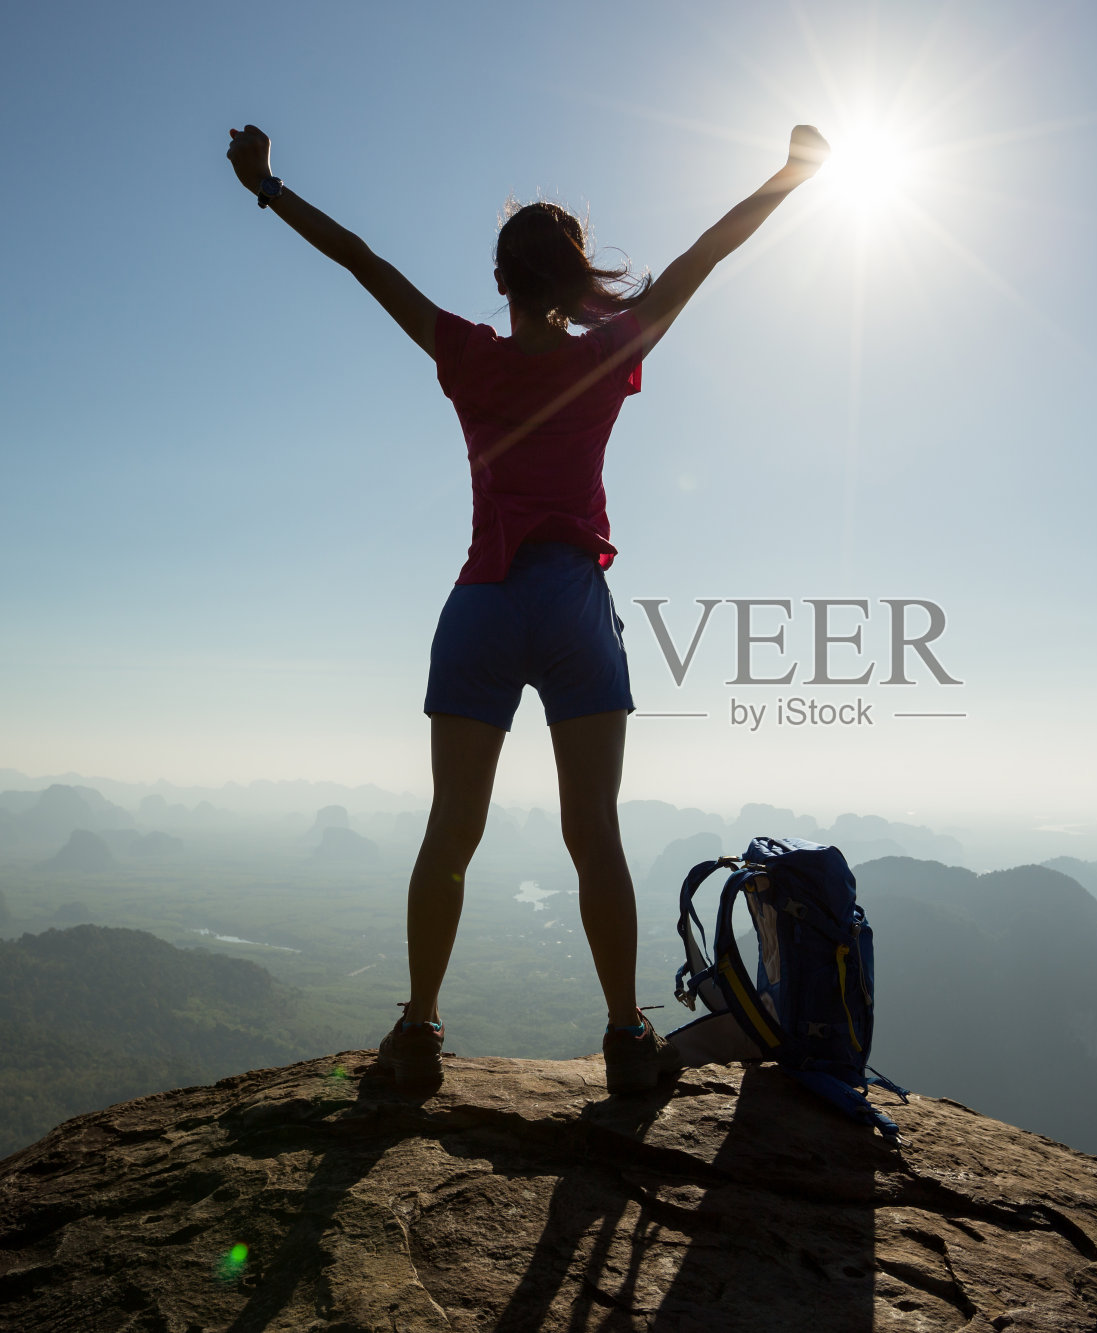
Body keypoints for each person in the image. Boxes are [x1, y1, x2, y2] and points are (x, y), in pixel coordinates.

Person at [224, 120, 830, 1093]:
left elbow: (361, 261)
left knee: (450, 826)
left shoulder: (466, 354)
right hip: (570, 603)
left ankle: (418, 1026)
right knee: (592, 828)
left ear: (501, 281)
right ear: (575, 277)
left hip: (481, 603)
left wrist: (267, 186)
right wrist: (790, 176)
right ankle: (627, 1034)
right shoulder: (605, 354)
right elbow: (699, 259)